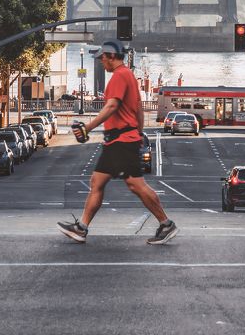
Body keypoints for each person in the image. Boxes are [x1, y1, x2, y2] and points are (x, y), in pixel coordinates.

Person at [57, 39, 177, 245]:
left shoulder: (120, 77)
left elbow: (112, 106)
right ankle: (82, 228)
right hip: (119, 140)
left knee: (136, 184)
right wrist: (139, 134)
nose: (101, 61)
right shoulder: (128, 76)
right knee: (97, 182)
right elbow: (138, 109)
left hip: (122, 140)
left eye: (102, 57)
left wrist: (87, 128)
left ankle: (166, 224)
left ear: (112, 56)